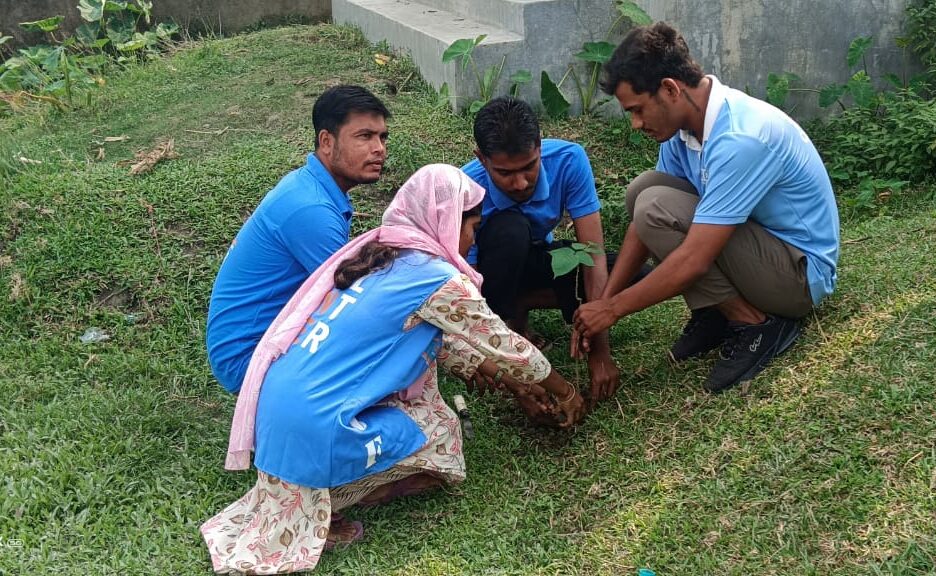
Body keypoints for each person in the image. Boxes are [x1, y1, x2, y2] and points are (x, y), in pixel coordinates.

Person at [202, 164, 586, 574]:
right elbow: (509, 348)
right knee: (441, 432)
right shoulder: (435, 278)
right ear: (444, 220)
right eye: (471, 226)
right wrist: (565, 392)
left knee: (433, 415)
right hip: (312, 426)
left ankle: (317, 490)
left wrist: (508, 380)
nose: (473, 239)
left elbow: (446, 345)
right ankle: (335, 496)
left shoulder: (384, 256)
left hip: (276, 414)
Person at [572, 22, 840, 393]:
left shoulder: (740, 139)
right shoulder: (685, 129)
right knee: (642, 192)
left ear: (669, 88)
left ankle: (755, 324)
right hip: (758, 254)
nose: (635, 124)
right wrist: (601, 306)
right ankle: (715, 312)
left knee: (653, 204)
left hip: (798, 276)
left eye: (637, 110)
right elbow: (644, 225)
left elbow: (693, 257)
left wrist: (614, 309)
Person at [206, 85, 390, 394]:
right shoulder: (312, 209)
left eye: (383, 137)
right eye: (365, 137)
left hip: (256, 340)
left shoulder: (309, 187)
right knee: (384, 336)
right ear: (327, 142)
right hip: (247, 358)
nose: (379, 148)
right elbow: (354, 302)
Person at [461, 96, 626, 406]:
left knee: (628, 274)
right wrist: (511, 365)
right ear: (482, 159)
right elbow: (467, 285)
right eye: (505, 173)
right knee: (510, 229)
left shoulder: (569, 159)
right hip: (491, 274)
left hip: (538, 257)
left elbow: (592, 252)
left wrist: (600, 350)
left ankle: (524, 301)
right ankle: (511, 320)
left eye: (529, 167)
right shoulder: (465, 186)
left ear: (539, 146)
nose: (521, 182)